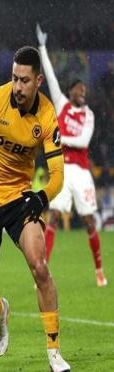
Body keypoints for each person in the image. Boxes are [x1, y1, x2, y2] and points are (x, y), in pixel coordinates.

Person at [0, 46, 70, 372]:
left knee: (40, 266)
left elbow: (58, 175)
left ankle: (54, 351)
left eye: (24, 80)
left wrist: (42, 197)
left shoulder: (47, 116)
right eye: (14, 78)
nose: (18, 87)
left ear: (38, 81)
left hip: (18, 200)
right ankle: (1, 312)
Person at [36, 24, 107, 287]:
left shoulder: (88, 115)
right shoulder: (62, 105)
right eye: (79, 89)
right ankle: (42, 272)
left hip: (81, 172)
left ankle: (99, 270)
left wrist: (58, 137)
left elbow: (83, 141)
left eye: (84, 89)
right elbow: (51, 78)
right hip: (62, 170)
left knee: (89, 221)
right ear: (71, 92)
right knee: (53, 216)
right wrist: (42, 47)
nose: (83, 91)